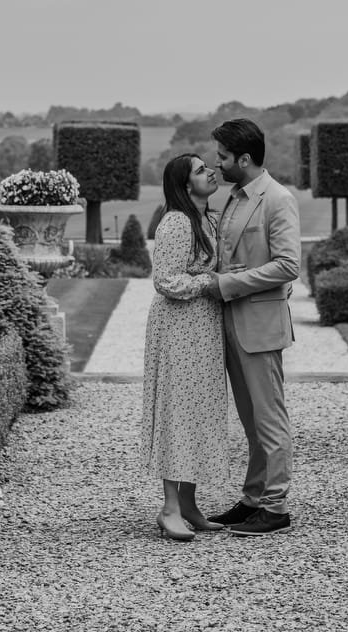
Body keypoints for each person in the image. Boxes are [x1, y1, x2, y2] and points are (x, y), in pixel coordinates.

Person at [205, 118, 301, 536]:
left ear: (244, 158)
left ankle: (276, 506)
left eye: (223, 157)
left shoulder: (278, 199)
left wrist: (228, 282)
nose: (218, 163)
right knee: (250, 421)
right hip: (230, 324)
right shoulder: (232, 197)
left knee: (269, 419)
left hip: (259, 325)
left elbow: (287, 266)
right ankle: (252, 499)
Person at [140, 153, 228, 541]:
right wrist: (208, 283)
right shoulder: (176, 222)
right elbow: (165, 280)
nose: (211, 171)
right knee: (177, 410)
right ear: (185, 184)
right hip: (178, 328)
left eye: (209, 166)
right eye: (200, 170)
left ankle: (191, 504)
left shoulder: (209, 218)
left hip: (204, 328)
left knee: (200, 409)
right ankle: (170, 508)